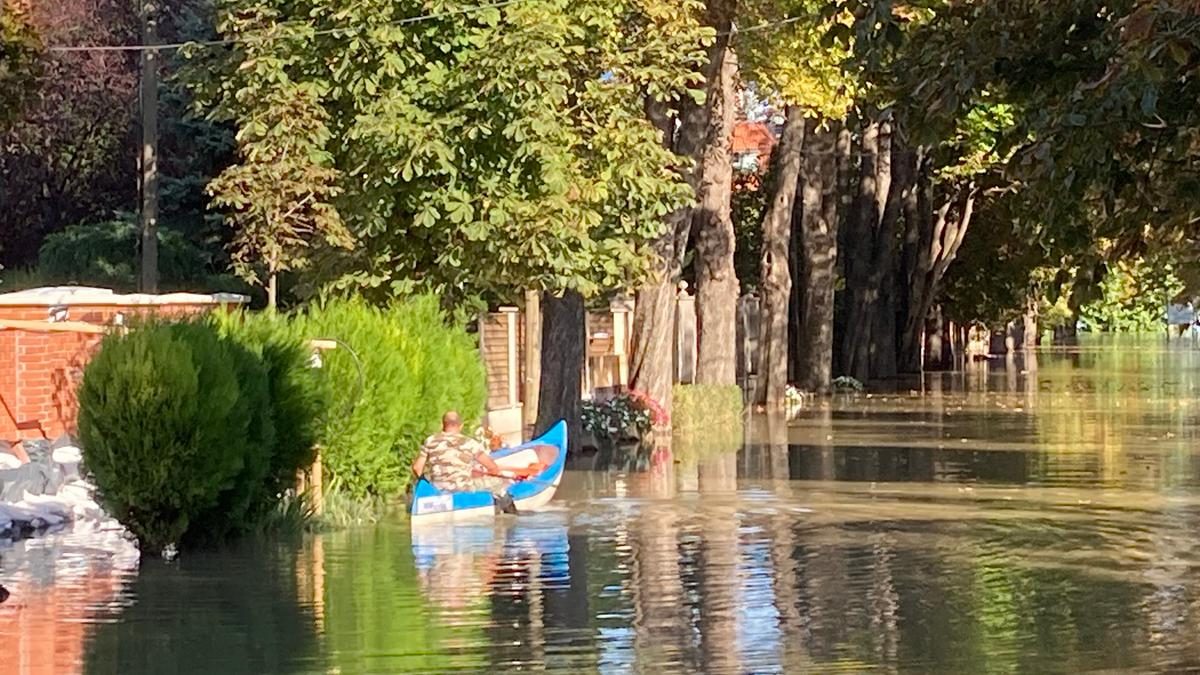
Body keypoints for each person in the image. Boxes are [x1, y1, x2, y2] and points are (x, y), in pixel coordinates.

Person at [412, 411, 518, 511]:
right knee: (498, 483)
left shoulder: (430, 441)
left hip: (438, 488)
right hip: (463, 488)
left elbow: (417, 468)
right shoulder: (469, 443)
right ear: (460, 425)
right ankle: (511, 516)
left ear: (442, 424)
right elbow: (492, 467)